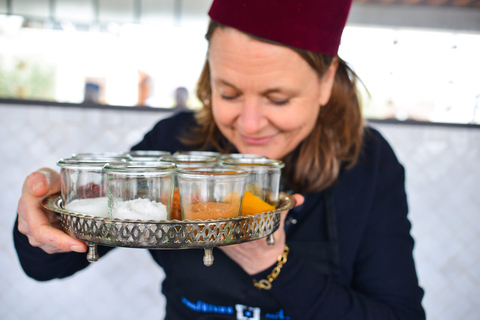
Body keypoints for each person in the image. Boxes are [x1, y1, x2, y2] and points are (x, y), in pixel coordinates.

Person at [13, 0, 425, 319]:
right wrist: (49, 214)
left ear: (326, 81)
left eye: (277, 98)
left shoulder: (368, 163)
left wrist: (271, 265)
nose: (248, 124)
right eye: (227, 93)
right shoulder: (174, 143)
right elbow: (46, 268)